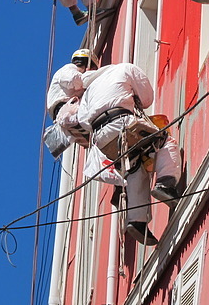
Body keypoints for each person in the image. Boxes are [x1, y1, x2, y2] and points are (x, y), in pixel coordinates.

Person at [77, 63, 181, 246]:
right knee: (164, 140)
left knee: (134, 166)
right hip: (121, 122)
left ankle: (137, 221)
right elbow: (147, 98)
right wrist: (132, 97)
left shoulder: (89, 90)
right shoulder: (125, 68)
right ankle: (166, 183)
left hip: (101, 139)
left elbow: (84, 121)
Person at [46, 49, 97, 148]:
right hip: (65, 109)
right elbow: (72, 80)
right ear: (87, 63)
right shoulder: (69, 68)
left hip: (64, 113)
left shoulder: (73, 78)